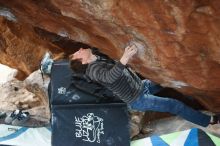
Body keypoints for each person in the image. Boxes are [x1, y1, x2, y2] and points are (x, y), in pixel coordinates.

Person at [68, 45, 220, 128]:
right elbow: (109, 77)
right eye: (78, 53)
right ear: (82, 62)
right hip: (138, 99)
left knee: (165, 78)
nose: (80, 49)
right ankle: (210, 120)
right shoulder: (93, 71)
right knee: (174, 105)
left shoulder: (98, 56)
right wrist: (124, 59)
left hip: (141, 86)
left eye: (78, 50)